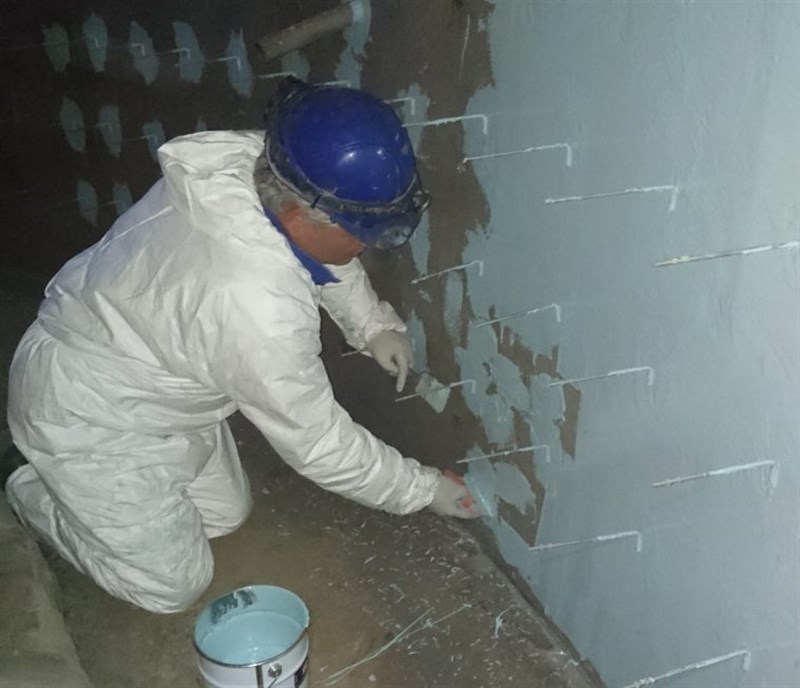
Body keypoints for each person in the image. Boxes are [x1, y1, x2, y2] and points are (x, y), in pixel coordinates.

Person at [2, 78, 478, 614]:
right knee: (173, 585)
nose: (369, 246)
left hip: (146, 380)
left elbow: (320, 248)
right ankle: (26, 483)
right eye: (366, 233)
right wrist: (423, 490)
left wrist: (370, 325)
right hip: (87, 413)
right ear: (300, 216)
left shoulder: (255, 164)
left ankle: (109, 495)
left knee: (224, 515)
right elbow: (319, 444)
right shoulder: (257, 304)